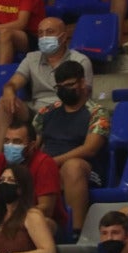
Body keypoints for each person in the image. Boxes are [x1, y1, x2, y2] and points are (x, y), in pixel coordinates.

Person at [0, 18, 92, 149]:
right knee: (4, 102)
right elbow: (12, 83)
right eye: (40, 33)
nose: (44, 37)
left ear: (63, 37)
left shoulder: (80, 60)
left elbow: (84, 96)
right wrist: (8, 91)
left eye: (50, 32)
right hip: (36, 113)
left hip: (66, 111)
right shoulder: (31, 58)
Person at [35, 60, 108, 232]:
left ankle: (76, 231)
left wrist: (52, 162)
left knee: (72, 167)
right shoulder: (46, 113)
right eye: (59, 87)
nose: (64, 90)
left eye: (69, 85)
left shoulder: (97, 112)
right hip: (49, 167)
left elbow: (90, 149)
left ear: (82, 83)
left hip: (87, 170)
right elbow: (34, 144)